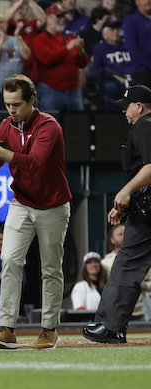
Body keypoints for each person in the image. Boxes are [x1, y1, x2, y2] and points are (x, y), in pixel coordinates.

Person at [0, 74, 72, 350]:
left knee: (51, 268)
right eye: (7, 104)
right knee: (10, 261)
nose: (11, 110)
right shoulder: (6, 126)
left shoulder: (49, 126)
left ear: (31, 101)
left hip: (53, 205)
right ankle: (6, 329)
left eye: (16, 104)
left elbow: (34, 164)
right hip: (22, 202)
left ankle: (49, 330)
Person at [82, 84, 151, 344]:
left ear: (139, 106)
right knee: (128, 263)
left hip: (147, 212)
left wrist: (125, 192)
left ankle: (111, 327)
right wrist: (126, 202)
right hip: (144, 205)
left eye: (126, 105)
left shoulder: (145, 125)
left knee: (128, 263)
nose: (123, 110)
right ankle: (112, 326)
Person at [32, 2, 89, 111]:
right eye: (58, 16)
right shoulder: (40, 39)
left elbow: (83, 64)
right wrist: (68, 48)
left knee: (78, 124)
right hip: (51, 90)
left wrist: (81, 50)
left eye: (63, 16)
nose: (62, 19)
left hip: (73, 90)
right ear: (48, 18)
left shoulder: (71, 37)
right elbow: (47, 59)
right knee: (50, 125)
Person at [0, 13, 31, 110]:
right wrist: (1, 39)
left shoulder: (16, 39)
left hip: (18, 89)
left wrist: (18, 36)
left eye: (1, 22)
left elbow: (27, 55)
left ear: (6, 24)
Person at [91, 20, 136, 110]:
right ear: (104, 34)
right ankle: (114, 117)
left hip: (133, 78)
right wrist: (114, 75)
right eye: (112, 30)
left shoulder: (128, 46)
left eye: (117, 29)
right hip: (113, 81)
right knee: (110, 88)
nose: (116, 32)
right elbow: (96, 70)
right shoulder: (100, 48)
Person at [122, 0, 151, 87]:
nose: (148, 1)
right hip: (142, 70)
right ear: (137, 2)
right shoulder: (132, 21)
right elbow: (132, 48)